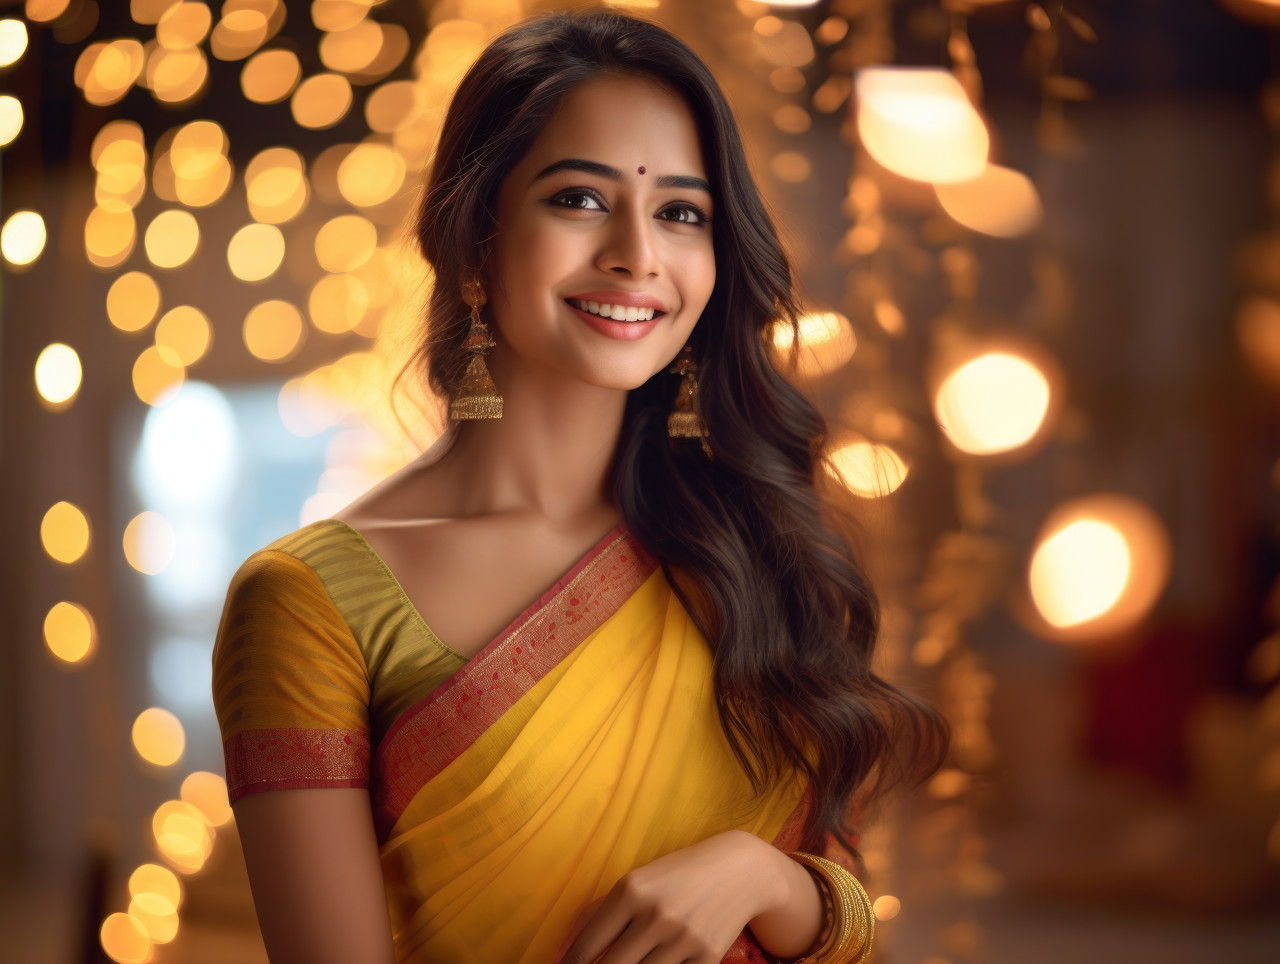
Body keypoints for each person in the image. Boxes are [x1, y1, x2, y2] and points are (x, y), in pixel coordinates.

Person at [211, 8, 946, 963]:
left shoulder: (751, 544)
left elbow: (849, 919)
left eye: (681, 212)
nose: (637, 253)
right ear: (475, 237)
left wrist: (764, 878)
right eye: (580, 199)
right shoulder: (308, 605)